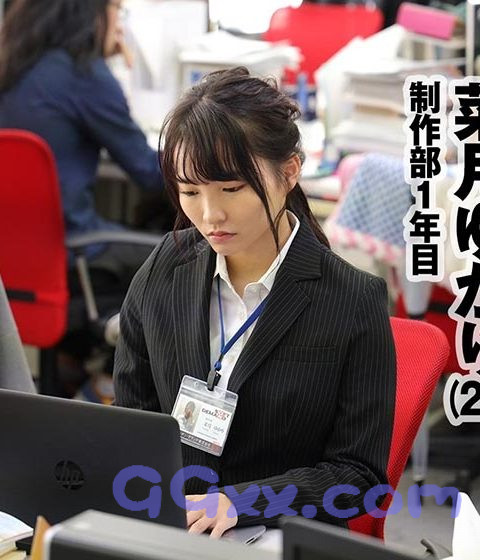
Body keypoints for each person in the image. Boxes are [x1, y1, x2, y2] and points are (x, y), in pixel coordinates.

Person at [113, 67, 396, 538]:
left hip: (274, 532)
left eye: (232, 189)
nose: (210, 214)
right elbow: (131, 420)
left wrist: (240, 503)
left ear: (290, 172)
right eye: (190, 192)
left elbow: (358, 477)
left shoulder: (351, 300)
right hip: (170, 527)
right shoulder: (166, 268)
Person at [0, 0, 167, 278]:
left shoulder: (12, 65)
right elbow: (149, 172)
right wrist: (206, 158)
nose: (120, 25)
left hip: (9, 261)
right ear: (93, 12)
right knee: (186, 257)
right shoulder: (85, 74)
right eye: (117, 9)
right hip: (69, 252)